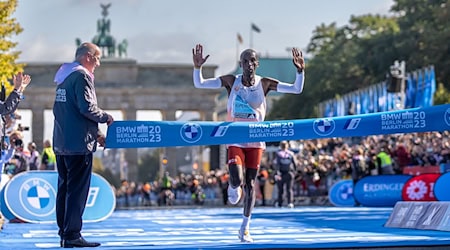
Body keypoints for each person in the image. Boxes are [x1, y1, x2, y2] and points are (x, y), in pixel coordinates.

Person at [192, 44, 305, 242]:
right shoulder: (231, 81)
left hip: (255, 139)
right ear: (241, 64)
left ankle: (245, 227)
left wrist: (299, 71)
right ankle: (233, 186)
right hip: (235, 137)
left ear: (257, 64)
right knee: (236, 180)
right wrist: (197, 67)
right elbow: (200, 84)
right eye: (245, 61)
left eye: (252, 61)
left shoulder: (265, 84)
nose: (249, 64)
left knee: (251, 184)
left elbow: (296, 89)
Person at [53, 42, 113, 248]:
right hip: (78, 145)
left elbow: (70, 112)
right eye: (97, 58)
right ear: (88, 56)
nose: (98, 63)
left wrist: (96, 134)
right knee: (77, 192)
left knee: (65, 189)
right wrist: (106, 117)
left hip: (62, 144)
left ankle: (64, 233)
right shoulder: (82, 76)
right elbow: (87, 108)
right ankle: (73, 235)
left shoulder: (64, 77)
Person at [274, 141, 297, 208]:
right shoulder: (291, 154)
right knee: (289, 189)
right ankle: (289, 202)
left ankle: (280, 203)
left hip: (281, 173)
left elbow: (277, 165)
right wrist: (294, 172)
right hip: (289, 173)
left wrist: (277, 173)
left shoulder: (278, 154)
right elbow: (295, 164)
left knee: (281, 189)